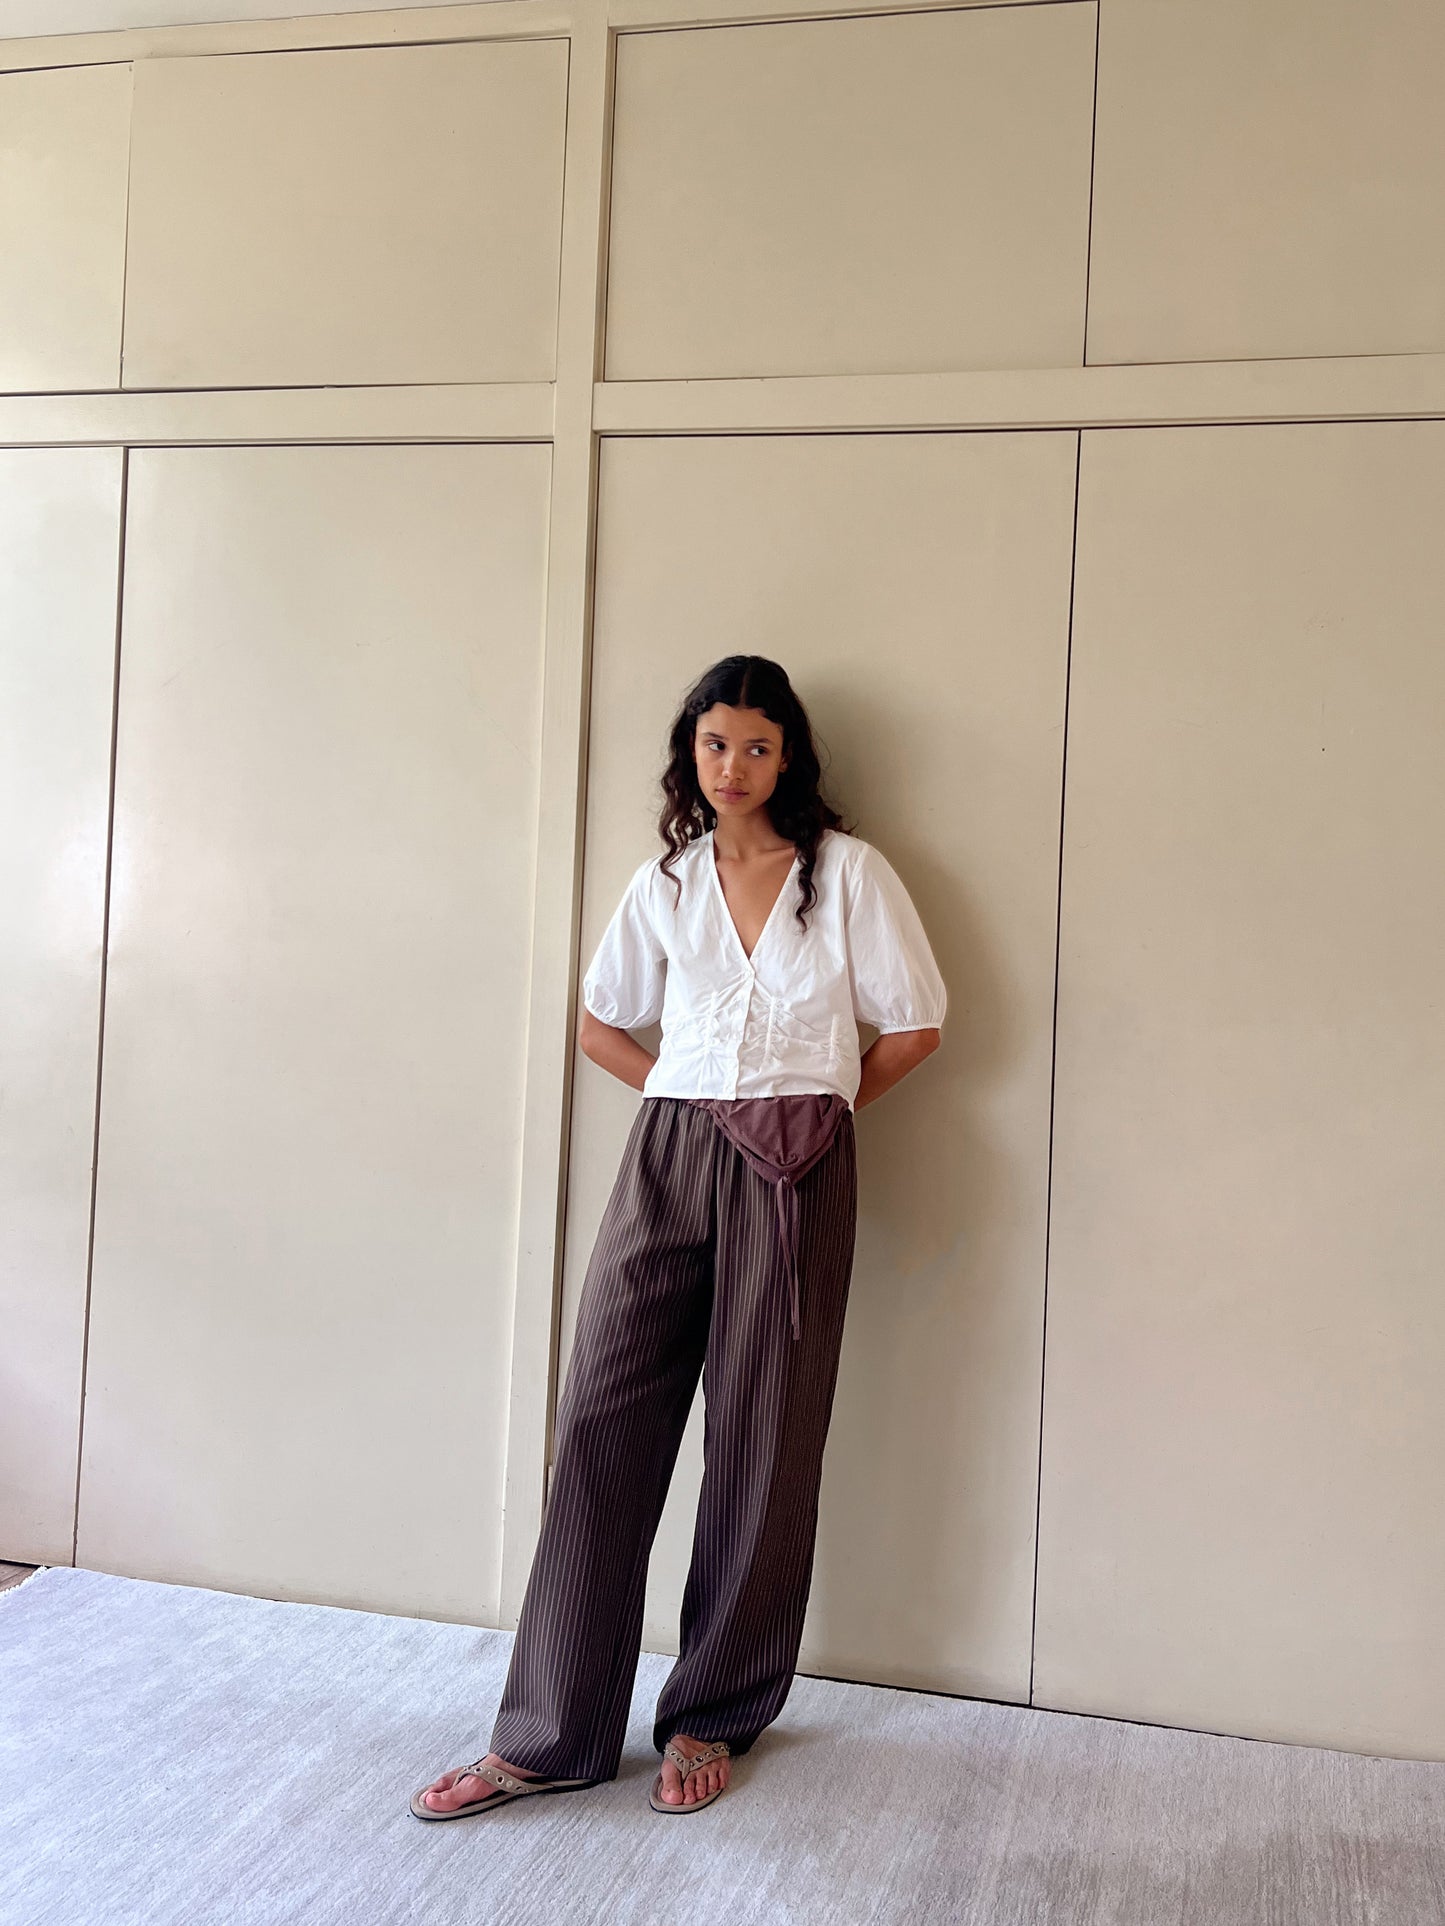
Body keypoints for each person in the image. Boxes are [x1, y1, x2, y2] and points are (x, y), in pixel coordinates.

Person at [411, 655, 946, 1822]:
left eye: (756, 746)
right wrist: (697, 1089)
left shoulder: (846, 875)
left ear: (789, 755)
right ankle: (548, 1734)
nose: (733, 767)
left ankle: (713, 1711)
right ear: (688, 756)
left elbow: (914, 1025)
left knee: (764, 1434)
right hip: (668, 1152)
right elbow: (601, 1023)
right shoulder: (665, 880)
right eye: (713, 746)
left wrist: (820, 1106)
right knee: (604, 1413)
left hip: (800, 1163)